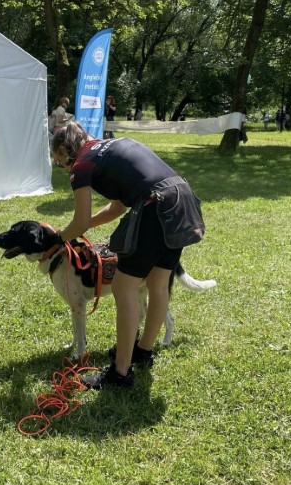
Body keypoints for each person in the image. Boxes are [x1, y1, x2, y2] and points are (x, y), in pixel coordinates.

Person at [49, 122, 206, 389]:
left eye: (59, 161)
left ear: (65, 151)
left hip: (155, 207)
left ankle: (119, 374)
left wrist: (59, 238)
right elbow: (117, 208)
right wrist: (86, 226)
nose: (62, 167)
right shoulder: (112, 145)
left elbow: (80, 221)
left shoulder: (81, 165)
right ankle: (142, 353)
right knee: (158, 283)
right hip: (182, 199)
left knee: (123, 286)